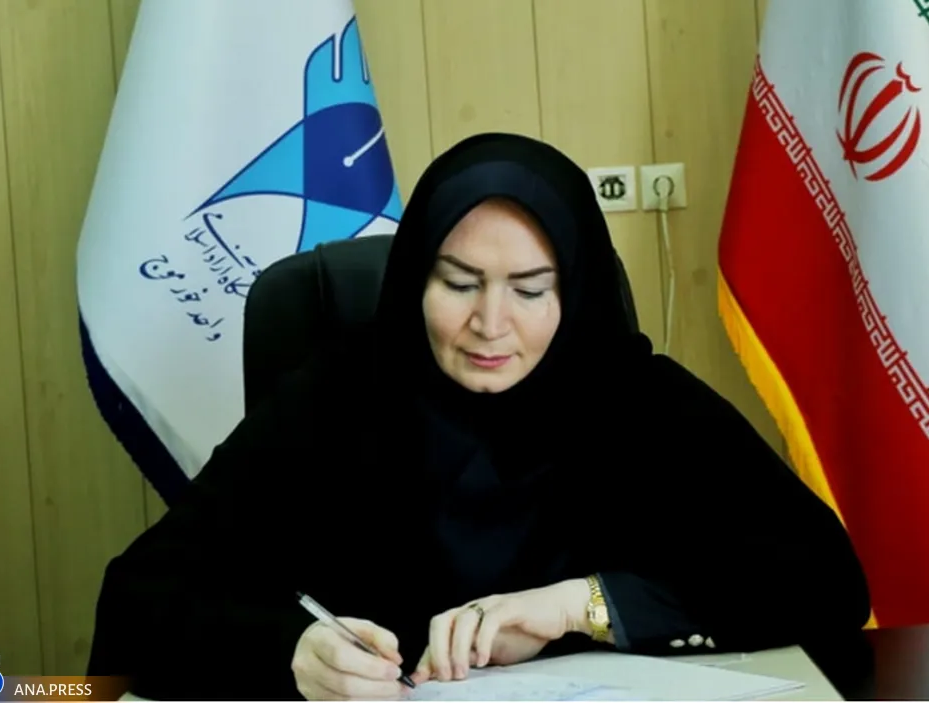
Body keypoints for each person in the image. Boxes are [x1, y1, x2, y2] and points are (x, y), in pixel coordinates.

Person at [87, 132, 870, 701]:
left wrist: (582, 603)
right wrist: (292, 651)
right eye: (459, 282)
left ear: (575, 291)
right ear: (414, 281)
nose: (490, 324)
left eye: (530, 289)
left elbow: (824, 582)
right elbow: (138, 599)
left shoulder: (638, 400)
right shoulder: (333, 398)